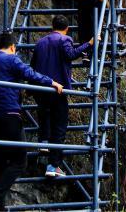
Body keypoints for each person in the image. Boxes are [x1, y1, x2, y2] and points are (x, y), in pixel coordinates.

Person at [0, 32, 63, 212]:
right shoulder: (11, 59)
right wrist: (51, 82)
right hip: (8, 114)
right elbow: (29, 73)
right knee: (19, 160)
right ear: (13, 47)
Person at [31, 17, 93, 177]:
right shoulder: (65, 39)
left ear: (52, 26)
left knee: (45, 118)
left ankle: (44, 142)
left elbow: (33, 66)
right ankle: (53, 166)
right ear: (67, 28)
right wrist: (89, 44)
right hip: (57, 90)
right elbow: (71, 54)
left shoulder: (40, 42)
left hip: (40, 88)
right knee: (59, 127)